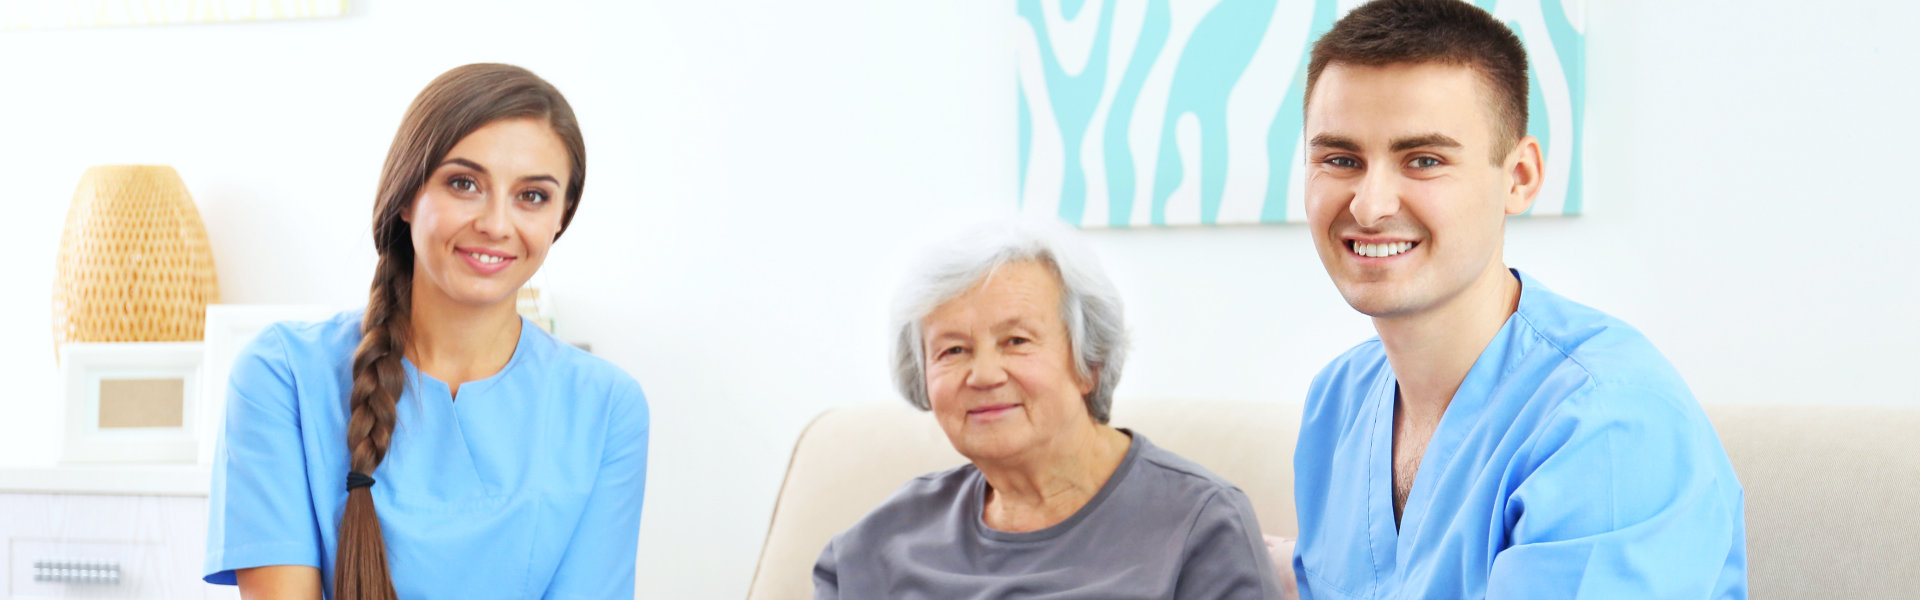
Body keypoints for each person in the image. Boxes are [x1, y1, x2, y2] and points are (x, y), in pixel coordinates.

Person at [1288, 1, 1747, 598]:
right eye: (1340, 159)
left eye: (1423, 160)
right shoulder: (1337, 401)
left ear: (1520, 176)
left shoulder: (1611, 425)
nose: (1370, 206)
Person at [203, 63, 649, 599]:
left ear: (562, 214)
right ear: (407, 195)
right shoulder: (282, 375)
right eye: (464, 183)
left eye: (532, 196)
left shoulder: (605, 407)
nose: (496, 223)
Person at [813, 218, 1282, 599]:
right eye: (952, 351)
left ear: (1088, 363)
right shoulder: (876, 547)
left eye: (1015, 341)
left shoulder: (1201, 526)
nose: (983, 375)